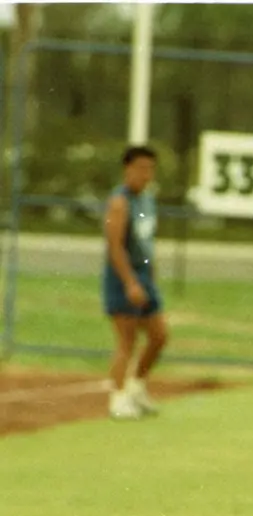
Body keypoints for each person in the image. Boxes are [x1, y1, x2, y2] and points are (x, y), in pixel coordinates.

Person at [102, 144, 168, 420]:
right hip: (122, 278)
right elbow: (115, 246)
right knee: (127, 340)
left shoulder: (147, 199)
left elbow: (145, 242)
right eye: (141, 168)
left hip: (144, 277)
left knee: (159, 335)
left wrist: (149, 276)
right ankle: (117, 398)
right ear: (127, 169)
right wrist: (130, 282)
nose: (146, 174)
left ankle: (137, 387)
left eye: (150, 168)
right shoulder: (120, 202)